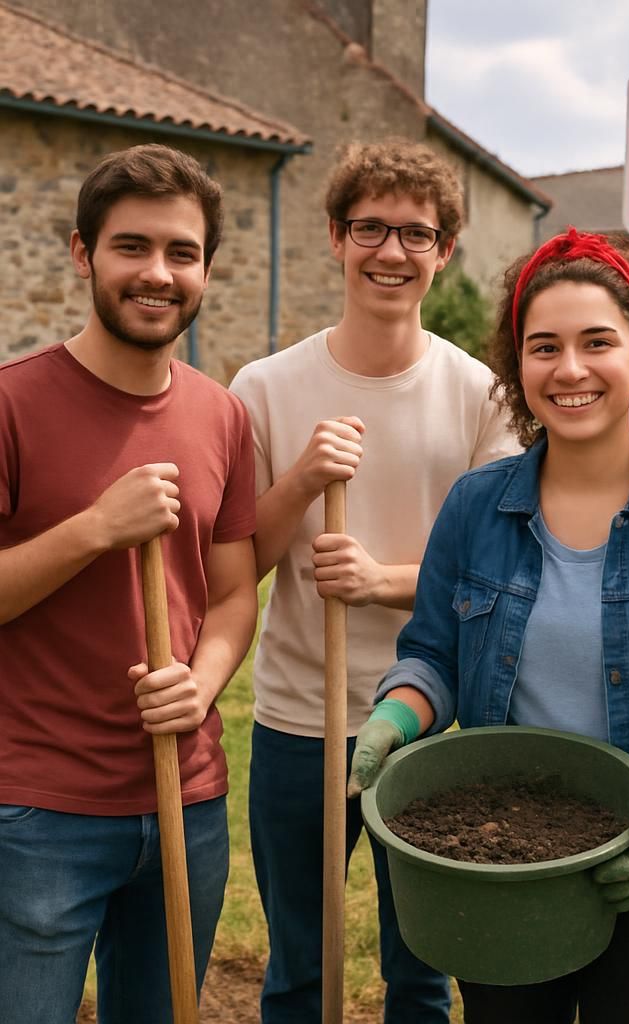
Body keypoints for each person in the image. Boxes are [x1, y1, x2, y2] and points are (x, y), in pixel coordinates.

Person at [346, 228, 629, 1024]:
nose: (569, 369)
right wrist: (395, 717)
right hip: (501, 860)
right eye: (543, 347)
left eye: (596, 343)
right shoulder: (478, 504)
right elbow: (432, 652)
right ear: (519, 369)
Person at [229, 138, 518, 1023]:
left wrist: (385, 578)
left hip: (430, 719)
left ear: (444, 252)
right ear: (335, 237)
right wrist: (303, 482)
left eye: (415, 234)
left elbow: (498, 569)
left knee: (423, 971)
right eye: (371, 229)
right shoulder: (265, 386)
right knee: (298, 970)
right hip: (296, 720)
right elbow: (240, 554)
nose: (391, 252)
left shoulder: (482, 395)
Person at [0, 144, 258, 1023]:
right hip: (39, 811)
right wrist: (94, 529)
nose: (159, 273)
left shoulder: (221, 414)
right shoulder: (12, 404)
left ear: (206, 271)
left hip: (187, 802)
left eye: (182, 254)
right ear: (83, 254)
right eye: (132, 247)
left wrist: (203, 684)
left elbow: (230, 597)